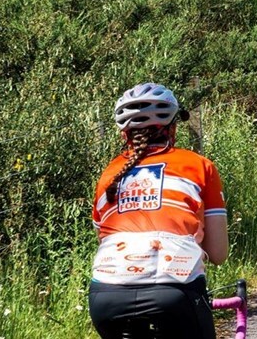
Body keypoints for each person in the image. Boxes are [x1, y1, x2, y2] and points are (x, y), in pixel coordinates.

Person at [88, 83, 228, 339]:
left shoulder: (108, 176)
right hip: (174, 292)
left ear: (124, 135)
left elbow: (105, 237)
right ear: (173, 128)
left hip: (106, 295)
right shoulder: (199, 166)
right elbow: (218, 253)